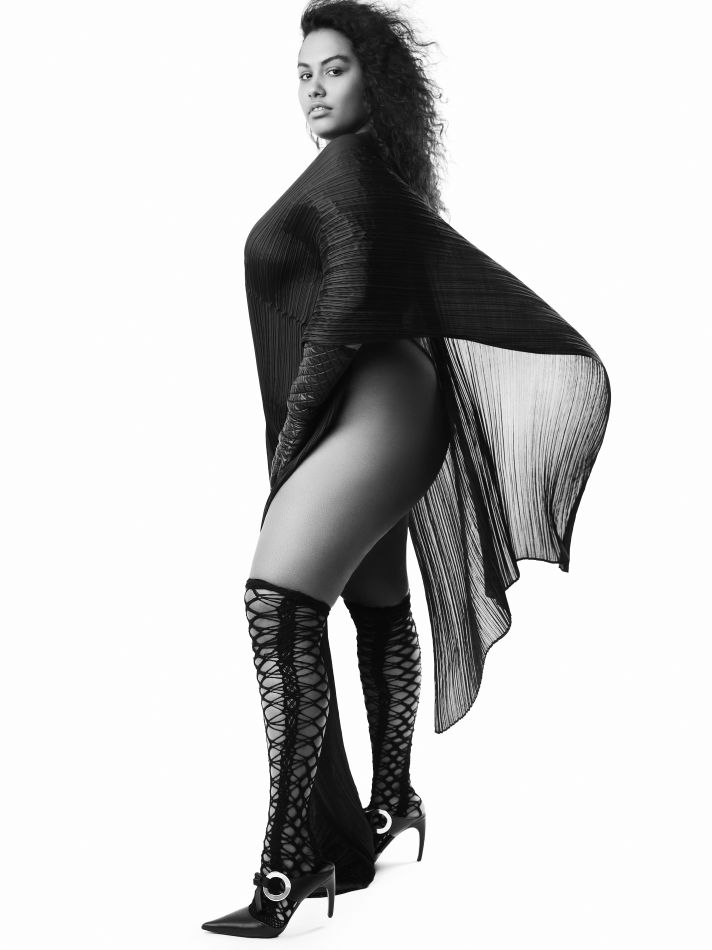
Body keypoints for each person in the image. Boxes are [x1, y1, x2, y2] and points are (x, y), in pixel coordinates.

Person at [202, 0, 611, 939]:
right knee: (376, 601)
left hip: (376, 405)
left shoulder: (352, 176)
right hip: (388, 402)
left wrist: (294, 442)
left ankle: (290, 863)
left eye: (335, 69)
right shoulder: (366, 174)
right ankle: (390, 804)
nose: (314, 88)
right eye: (303, 73)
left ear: (375, 81)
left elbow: (345, 305)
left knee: (277, 604)